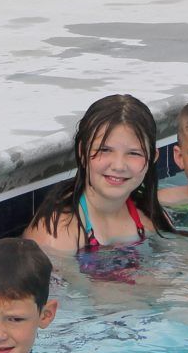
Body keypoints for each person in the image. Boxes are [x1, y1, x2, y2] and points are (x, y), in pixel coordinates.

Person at [22, 94, 175, 280]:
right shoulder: (58, 235)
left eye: (133, 153)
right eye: (104, 150)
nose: (119, 165)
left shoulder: (151, 218)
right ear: (82, 152)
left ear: (152, 159)